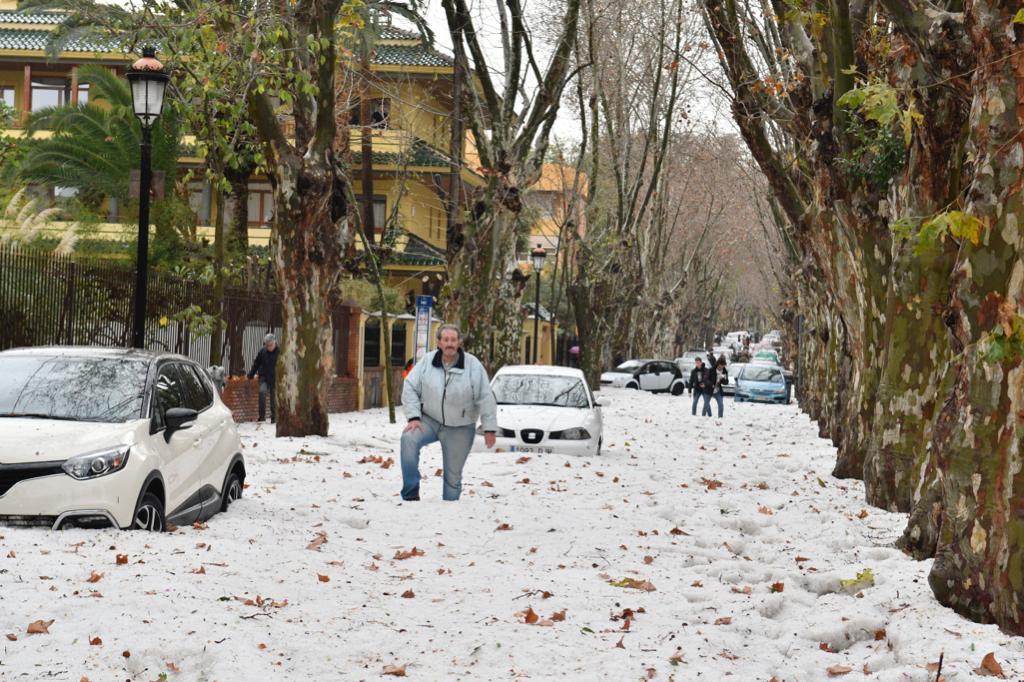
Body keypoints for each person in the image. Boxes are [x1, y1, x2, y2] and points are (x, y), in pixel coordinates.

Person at [399, 324, 497, 501]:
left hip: (460, 427)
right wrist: (414, 417)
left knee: (453, 480)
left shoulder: (473, 365)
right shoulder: (427, 361)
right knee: (408, 439)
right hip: (430, 420)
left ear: (459, 342)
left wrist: (489, 428)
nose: (450, 343)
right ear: (439, 343)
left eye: (453, 340)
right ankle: (410, 493)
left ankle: (450, 512)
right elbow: (410, 386)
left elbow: (486, 397)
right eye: (446, 340)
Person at [247, 333, 279, 423]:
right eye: (267, 345)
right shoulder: (262, 352)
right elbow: (256, 364)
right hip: (264, 377)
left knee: (274, 398)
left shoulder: (280, 352)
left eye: (271, 345)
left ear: (274, 342)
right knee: (262, 392)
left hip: (275, 378)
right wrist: (251, 374)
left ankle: (274, 417)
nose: (269, 347)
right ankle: (262, 416)